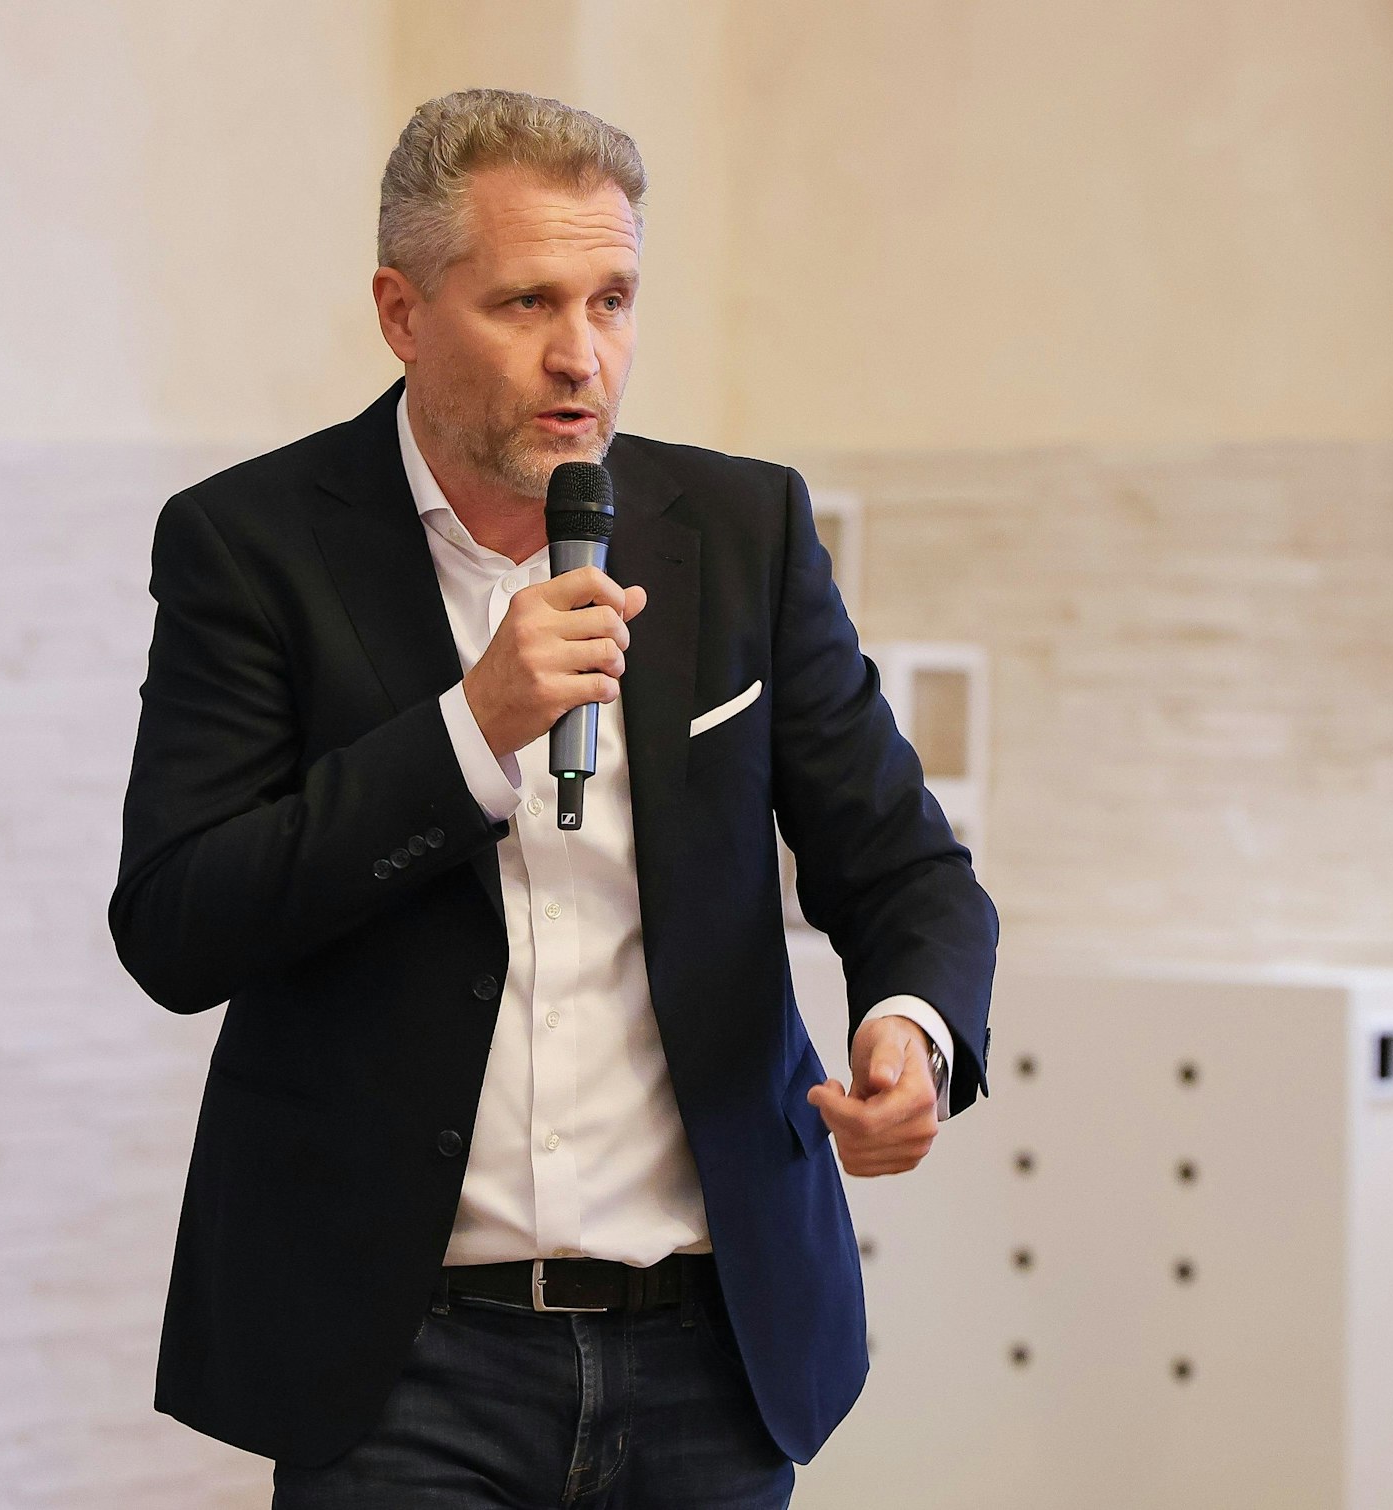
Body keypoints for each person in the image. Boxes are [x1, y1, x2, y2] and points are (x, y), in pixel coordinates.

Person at [109, 88, 996, 1509]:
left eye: (614, 298)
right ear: (403, 313)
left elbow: (905, 870)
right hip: (406, 1367)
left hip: (712, 1350)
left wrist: (916, 1030)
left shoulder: (743, 531)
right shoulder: (249, 545)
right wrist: (469, 732)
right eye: (527, 301)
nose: (581, 355)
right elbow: (175, 922)